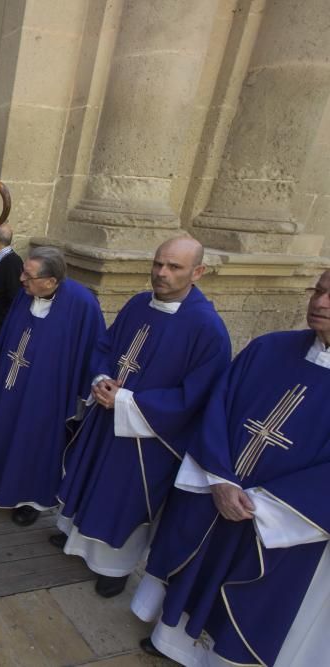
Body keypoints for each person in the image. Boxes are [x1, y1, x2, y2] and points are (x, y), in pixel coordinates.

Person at [131, 269, 330, 666]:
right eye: (320, 291)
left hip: (280, 519)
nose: (320, 302)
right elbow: (217, 407)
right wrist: (220, 479)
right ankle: (170, 640)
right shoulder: (269, 348)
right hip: (218, 491)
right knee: (194, 565)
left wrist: (265, 506)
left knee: (250, 595)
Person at [55, 237, 231, 599]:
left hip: (147, 436)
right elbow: (105, 346)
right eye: (158, 263)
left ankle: (114, 567)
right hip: (107, 416)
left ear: (197, 272)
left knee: (124, 497)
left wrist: (128, 400)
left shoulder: (208, 329)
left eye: (174, 267)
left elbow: (195, 397)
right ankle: (74, 533)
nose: (161, 273)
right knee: (89, 478)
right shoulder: (138, 304)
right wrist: (100, 380)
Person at [0, 246, 105, 526]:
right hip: (12, 380)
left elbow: (95, 349)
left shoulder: (82, 304)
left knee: (35, 442)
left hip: (47, 393)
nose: (21, 279)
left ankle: (30, 500)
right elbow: (8, 331)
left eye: (28, 276)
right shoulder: (27, 293)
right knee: (3, 427)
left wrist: (86, 388)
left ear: (51, 281)